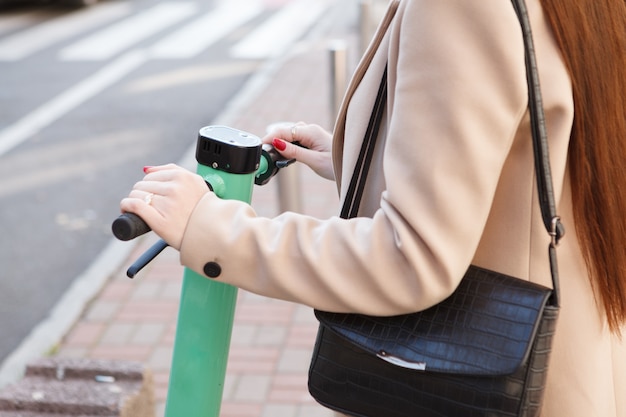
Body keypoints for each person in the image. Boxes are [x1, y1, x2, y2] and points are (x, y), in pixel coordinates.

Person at [120, 0, 626, 415]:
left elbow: (410, 257)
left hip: (501, 390)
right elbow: (543, 168)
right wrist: (358, 158)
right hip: (578, 366)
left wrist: (211, 227)